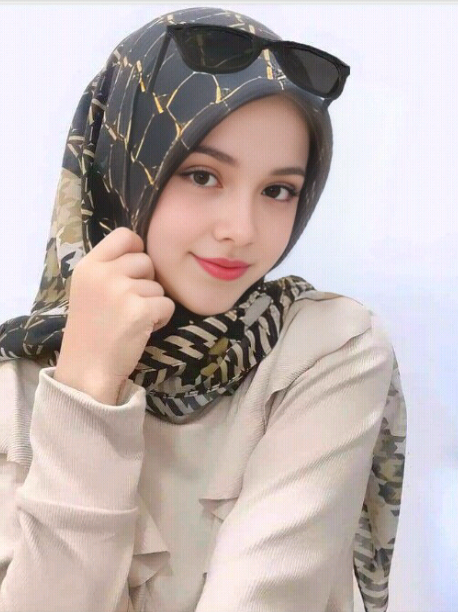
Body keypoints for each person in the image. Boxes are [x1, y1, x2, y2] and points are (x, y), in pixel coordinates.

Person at [0, 6, 407, 612]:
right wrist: (85, 387)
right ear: (124, 166)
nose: (241, 230)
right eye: (201, 175)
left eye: (278, 191)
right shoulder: (18, 383)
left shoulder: (328, 349)